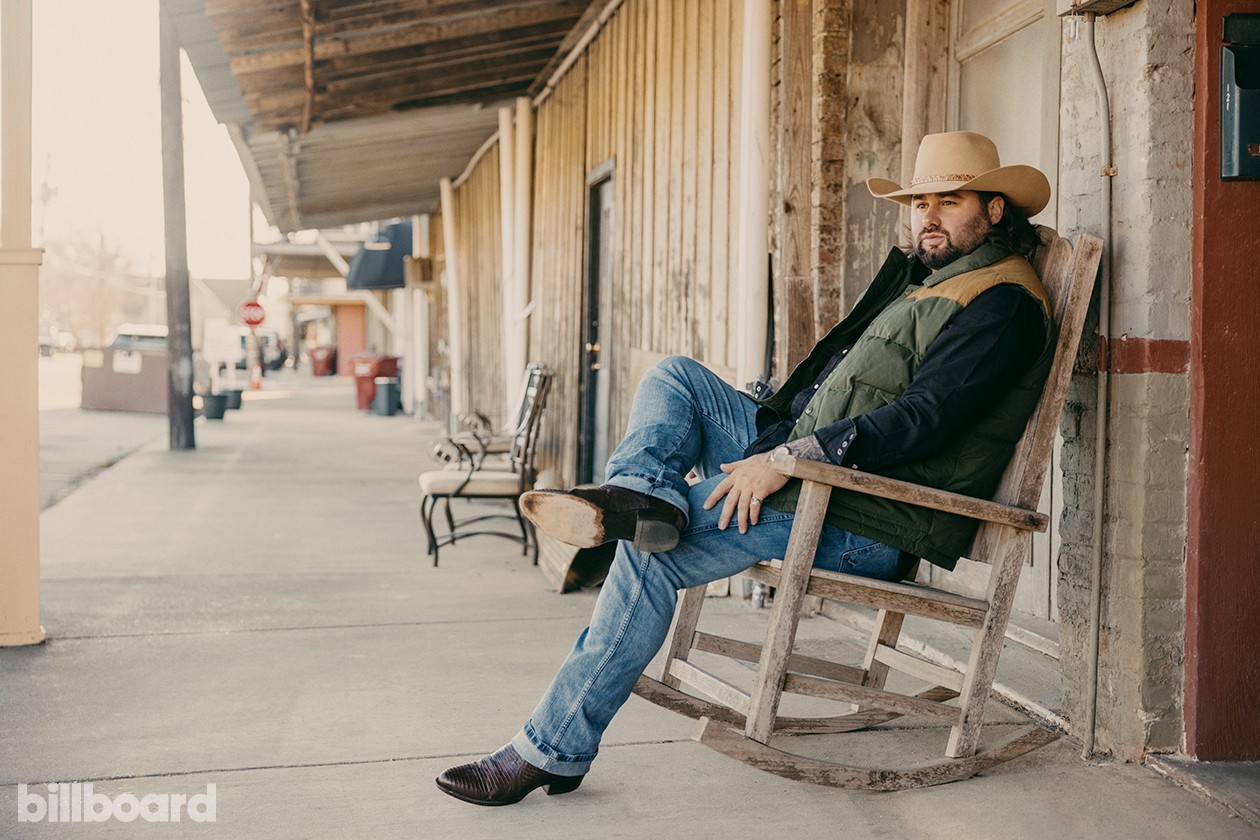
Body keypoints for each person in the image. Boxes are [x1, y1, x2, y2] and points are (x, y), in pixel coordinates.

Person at [436, 130, 1055, 806]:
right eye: (919, 203)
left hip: (867, 511)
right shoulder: (931, 281)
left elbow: (925, 419)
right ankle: (647, 498)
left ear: (995, 209)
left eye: (949, 200)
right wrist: (780, 440)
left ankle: (549, 750)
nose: (928, 216)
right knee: (675, 378)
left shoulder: (1003, 303)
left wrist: (789, 460)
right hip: (816, 469)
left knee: (651, 557)